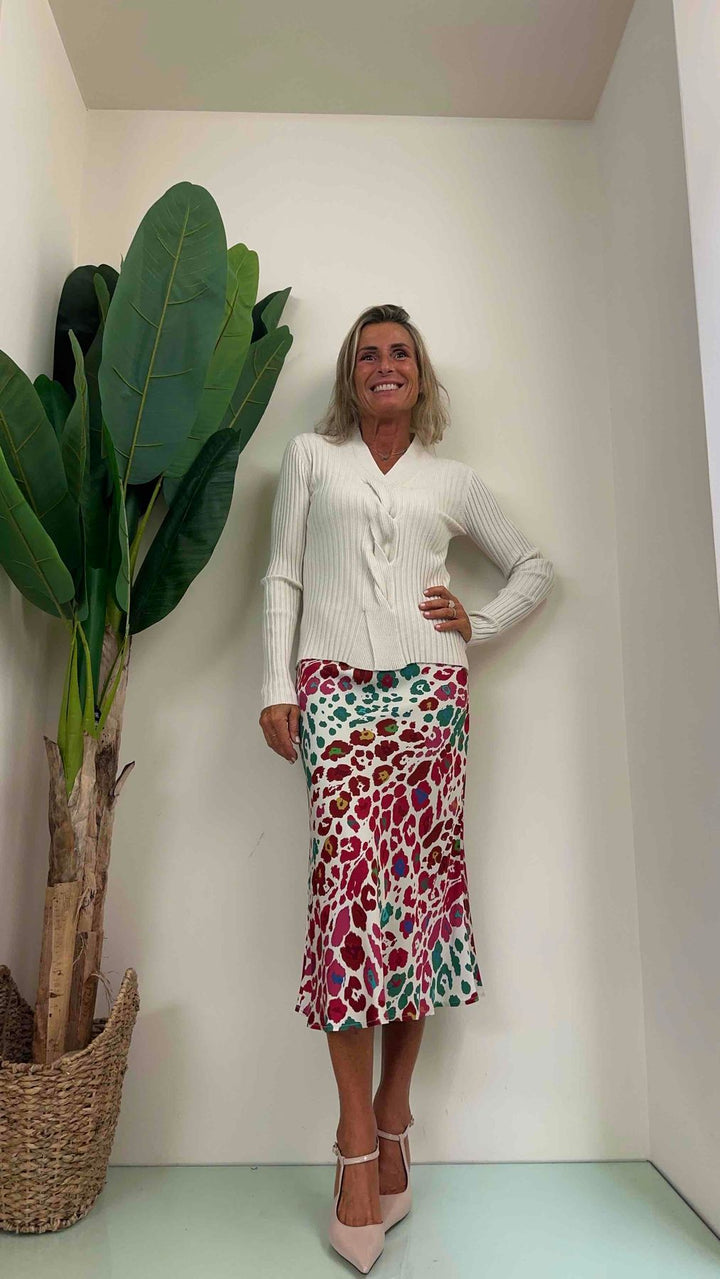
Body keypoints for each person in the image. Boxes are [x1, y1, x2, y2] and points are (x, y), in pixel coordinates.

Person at [258, 303, 554, 1273]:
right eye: (368, 354)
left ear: (420, 376)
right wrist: (275, 684)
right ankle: (357, 1143)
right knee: (349, 903)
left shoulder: (450, 480)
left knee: (416, 904)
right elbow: (283, 576)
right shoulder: (312, 458)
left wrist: (479, 621)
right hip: (335, 694)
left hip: (432, 699)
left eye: (400, 353)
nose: (384, 365)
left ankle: (395, 1113)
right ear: (352, 376)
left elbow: (534, 567)